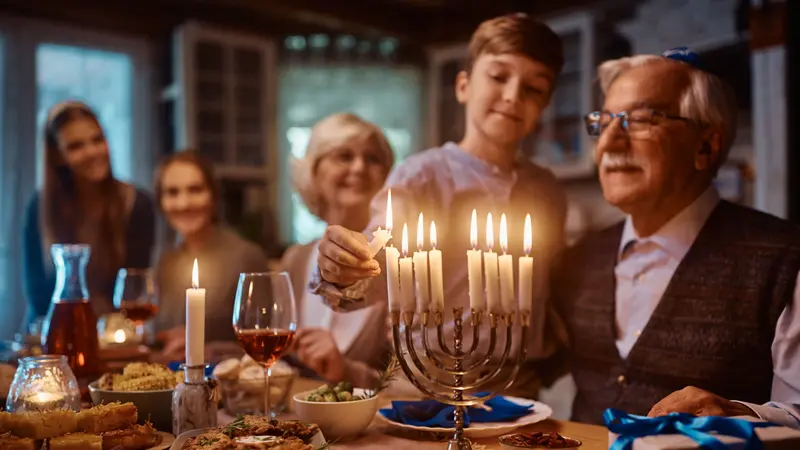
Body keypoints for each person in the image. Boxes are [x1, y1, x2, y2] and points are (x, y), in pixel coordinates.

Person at [308, 13, 569, 395]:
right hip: (429, 386)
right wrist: (340, 267)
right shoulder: (421, 176)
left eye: (534, 88)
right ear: (463, 85)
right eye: (498, 77)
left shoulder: (548, 192)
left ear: (544, 105)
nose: (514, 95)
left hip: (520, 390)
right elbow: (371, 264)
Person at [550, 47, 800, 427]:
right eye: (604, 121)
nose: (610, 143)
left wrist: (742, 414)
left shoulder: (783, 258)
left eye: (642, 119)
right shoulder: (577, 260)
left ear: (705, 146)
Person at [281, 113, 395, 388]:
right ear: (315, 172)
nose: (359, 168)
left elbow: (411, 386)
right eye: (344, 156)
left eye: (372, 159)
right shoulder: (295, 260)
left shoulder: (397, 263)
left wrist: (346, 370)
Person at [23, 101, 155, 324]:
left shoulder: (136, 203)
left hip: (112, 334)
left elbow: (133, 288)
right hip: (52, 330)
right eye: (76, 146)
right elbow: (38, 294)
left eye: (97, 140)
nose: (92, 152)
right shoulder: (40, 206)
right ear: (57, 156)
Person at [153, 151, 268, 361]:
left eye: (195, 190)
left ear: (213, 195)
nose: (183, 203)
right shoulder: (165, 260)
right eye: (172, 192)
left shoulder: (246, 257)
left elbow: (265, 345)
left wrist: (208, 350)